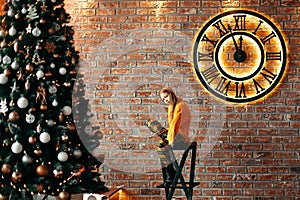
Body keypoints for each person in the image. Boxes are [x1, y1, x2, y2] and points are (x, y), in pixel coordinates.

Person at [145, 87, 191, 185]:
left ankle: (171, 172)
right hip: (172, 133)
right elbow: (172, 127)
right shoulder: (172, 106)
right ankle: (170, 172)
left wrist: (169, 140)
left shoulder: (180, 106)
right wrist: (167, 136)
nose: (166, 100)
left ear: (171, 94)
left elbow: (175, 125)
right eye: (163, 99)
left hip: (181, 136)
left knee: (161, 146)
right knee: (150, 122)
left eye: (166, 96)